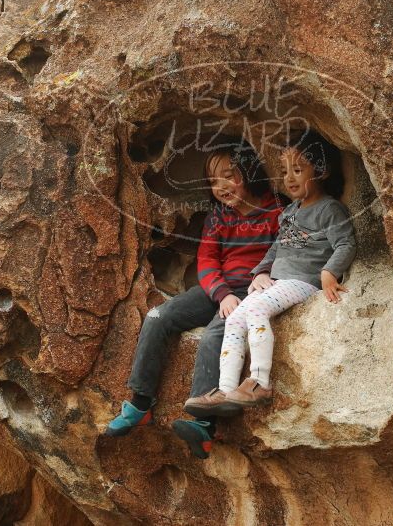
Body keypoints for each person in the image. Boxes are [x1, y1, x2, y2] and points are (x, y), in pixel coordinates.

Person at [104, 139, 283, 459]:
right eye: (214, 181)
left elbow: (284, 249)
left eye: (230, 175)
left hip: (253, 290)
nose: (222, 186)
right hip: (220, 288)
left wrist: (263, 276)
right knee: (159, 316)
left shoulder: (275, 210)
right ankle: (140, 404)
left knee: (219, 331)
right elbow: (208, 261)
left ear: (250, 171)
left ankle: (202, 425)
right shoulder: (218, 218)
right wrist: (222, 293)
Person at [183, 130, 355, 413]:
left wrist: (329, 272)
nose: (289, 178)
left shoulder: (330, 209)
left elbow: (346, 242)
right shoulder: (290, 212)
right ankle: (226, 391)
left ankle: (259, 382)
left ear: (321, 171)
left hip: (302, 282)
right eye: (285, 171)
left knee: (254, 309)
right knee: (235, 318)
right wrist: (261, 271)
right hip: (277, 282)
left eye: (298, 170)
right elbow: (277, 247)